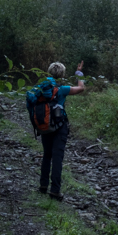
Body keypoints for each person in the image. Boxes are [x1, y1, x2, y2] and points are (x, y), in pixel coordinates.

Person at [39, 61, 85, 200]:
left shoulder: (42, 87)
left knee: (47, 155)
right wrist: (79, 72)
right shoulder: (63, 89)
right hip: (59, 126)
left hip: (45, 125)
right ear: (62, 75)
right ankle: (55, 190)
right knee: (57, 157)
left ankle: (43, 186)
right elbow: (81, 88)